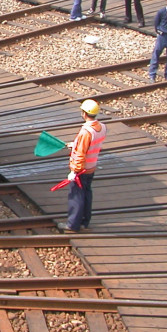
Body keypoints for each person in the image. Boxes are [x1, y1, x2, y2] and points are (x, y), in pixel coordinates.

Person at [62, 99, 106, 233]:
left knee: (76, 195)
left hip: (81, 169)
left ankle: (73, 225)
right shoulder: (102, 127)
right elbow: (90, 145)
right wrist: (74, 144)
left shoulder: (86, 131)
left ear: (84, 113)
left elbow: (81, 152)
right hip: (91, 167)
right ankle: (84, 222)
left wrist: (74, 171)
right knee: (87, 193)